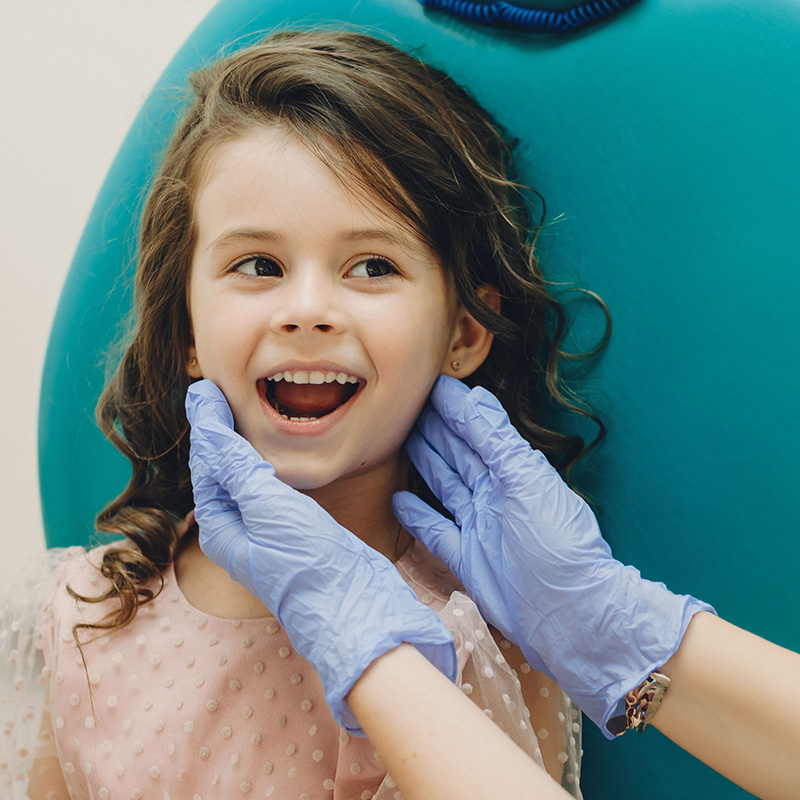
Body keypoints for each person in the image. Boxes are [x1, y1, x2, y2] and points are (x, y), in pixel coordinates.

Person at [0, 29, 609, 799]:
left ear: (461, 334)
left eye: (372, 265)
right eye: (259, 265)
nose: (309, 308)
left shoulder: (485, 641)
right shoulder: (88, 615)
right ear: (187, 331)